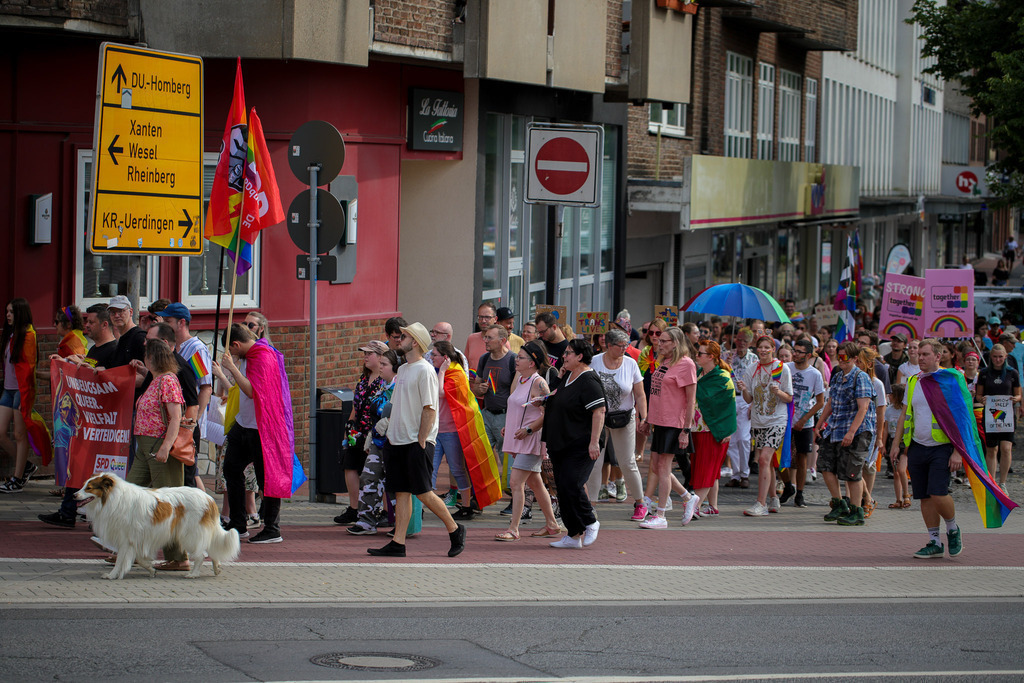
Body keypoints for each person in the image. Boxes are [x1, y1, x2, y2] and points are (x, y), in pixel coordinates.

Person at [368, 322, 466, 558]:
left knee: (423, 492)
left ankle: (455, 529)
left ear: (415, 342)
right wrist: (392, 433)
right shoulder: (403, 370)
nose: (399, 339)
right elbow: (400, 406)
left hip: (415, 441)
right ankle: (398, 542)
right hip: (398, 440)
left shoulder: (424, 370)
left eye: (404, 336)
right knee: (401, 492)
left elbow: (429, 409)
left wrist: (422, 440)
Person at [888, 338, 966, 558]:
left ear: (938, 356)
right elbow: (905, 413)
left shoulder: (950, 380)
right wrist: (897, 443)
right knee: (924, 496)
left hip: (942, 446)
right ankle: (934, 542)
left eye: (925, 354)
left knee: (938, 493)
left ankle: (952, 528)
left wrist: (958, 451)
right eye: (919, 354)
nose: (920, 358)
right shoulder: (914, 380)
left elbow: (962, 416)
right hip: (917, 446)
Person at [218, 323, 296, 545]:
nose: (231, 353)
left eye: (231, 349)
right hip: (245, 424)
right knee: (231, 470)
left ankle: (272, 528)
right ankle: (238, 524)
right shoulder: (250, 355)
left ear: (236, 344)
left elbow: (253, 392)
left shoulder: (262, 356)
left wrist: (232, 368)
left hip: (262, 428)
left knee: (266, 478)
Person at [122, 338, 190, 568]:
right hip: (146, 447)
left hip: (160, 448)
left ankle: (178, 557)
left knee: (168, 502)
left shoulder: (168, 381)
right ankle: (129, 549)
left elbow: (176, 417)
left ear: (152, 358)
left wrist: (165, 446)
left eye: (146, 355)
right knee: (130, 496)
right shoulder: (157, 380)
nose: (144, 358)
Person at [542, 338, 606, 548]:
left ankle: (590, 521)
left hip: (581, 442)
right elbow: (552, 400)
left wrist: (594, 442)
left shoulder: (588, 379)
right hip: (561, 442)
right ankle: (573, 534)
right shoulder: (568, 375)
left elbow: (599, 411)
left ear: (580, 357)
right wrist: (558, 379)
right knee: (562, 487)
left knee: (573, 483)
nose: (564, 356)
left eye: (569, 353)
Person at [495, 341, 561, 541]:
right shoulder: (522, 379)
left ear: (532, 362)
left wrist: (529, 429)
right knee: (535, 482)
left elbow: (547, 412)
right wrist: (512, 426)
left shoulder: (538, 382)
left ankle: (514, 528)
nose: (516, 360)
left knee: (516, 482)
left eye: (521, 357)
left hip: (532, 440)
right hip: (521, 438)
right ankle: (552, 524)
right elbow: (518, 407)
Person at [638, 327, 699, 528]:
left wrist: (686, 429)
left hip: (675, 422)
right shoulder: (663, 362)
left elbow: (691, 401)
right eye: (659, 340)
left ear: (675, 343)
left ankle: (661, 515)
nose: (659, 343)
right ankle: (687, 497)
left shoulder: (686, 364)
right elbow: (656, 395)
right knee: (656, 467)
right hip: (660, 421)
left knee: (663, 468)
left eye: (664, 341)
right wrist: (648, 419)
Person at [815, 340, 876, 526]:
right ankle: (839, 503)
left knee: (852, 473)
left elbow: (863, 408)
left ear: (855, 358)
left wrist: (851, 432)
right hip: (835, 428)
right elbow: (831, 402)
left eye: (844, 357)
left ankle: (857, 510)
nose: (841, 360)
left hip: (856, 431)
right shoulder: (837, 376)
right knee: (825, 466)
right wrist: (819, 424)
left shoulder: (861, 377)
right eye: (839, 357)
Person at [589, 329, 648, 521]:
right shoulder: (595, 361)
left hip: (624, 417)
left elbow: (639, 394)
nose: (624, 349)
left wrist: (643, 417)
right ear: (608, 345)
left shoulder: (630, 363)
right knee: (595, 461)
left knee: (627, 461)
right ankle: (591, 504)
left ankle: (640, 502)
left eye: (626, 345)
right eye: (620, 346)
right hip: (599, 417)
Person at [157, 303, 213, 490]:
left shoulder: (195, 349)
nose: (164, 324)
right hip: (174, 420)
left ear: (181, 323)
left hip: (186, 422)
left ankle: (205, 511)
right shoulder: (174, 347)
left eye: (168, 321)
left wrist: (193, 421)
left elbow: (205, 387)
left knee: (190, 473)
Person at [346, 349, 402, 535]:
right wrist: (370, 437)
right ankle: (366, 521)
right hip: (378, 443)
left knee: (395, 485)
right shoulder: (383, 387)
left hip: (395, 444)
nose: (381, 367)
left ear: (395, 368)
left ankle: (401, 526)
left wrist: (387, 423)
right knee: (368, 478)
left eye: (384, 364)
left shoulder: (400, 388)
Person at [736, 334, 793, 516]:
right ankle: (774, 498)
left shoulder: (781, 369)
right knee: (766, 463)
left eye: (767, 347)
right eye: (760, 347)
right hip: (758, 421)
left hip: (776, 420)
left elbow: (790, 397)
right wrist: (744, 389)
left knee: (763, 459)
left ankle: (760, 503)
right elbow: (749, 399)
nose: (763, 350)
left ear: (772, 349)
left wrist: (779, 392)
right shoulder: (752, 369)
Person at [334, 340, 388, 526]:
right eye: (364, 353)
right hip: (357, 431)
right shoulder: (363, 379)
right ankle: (354, 507)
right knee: (349, 465)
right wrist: (349, 425)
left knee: (374, 472)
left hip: (375, 432)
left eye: (369, 354)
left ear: (381, 356)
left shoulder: (385, 381)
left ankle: (379, 509)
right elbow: (356, 406)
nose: (365, 357)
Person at [0, 298, 51, 493]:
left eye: (11, 312)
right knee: (1, 433)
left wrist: (25, 398)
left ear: (20, 313)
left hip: (21, 391)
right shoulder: (12, 333)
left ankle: (17, 478)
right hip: (8, 389)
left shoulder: (29, 335)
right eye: (7, 312)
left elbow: (28, 369)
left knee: (20, 435)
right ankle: (28, 466)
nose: (8, 315)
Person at [429, 340, 478, 520]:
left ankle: (466, 507)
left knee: (457, 469)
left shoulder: (456, 373)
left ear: (445, 357)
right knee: (430, 469)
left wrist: (441, 371)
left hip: (451, 430)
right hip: (435, 429)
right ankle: (425, 506)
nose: (431, 357)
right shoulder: (436, 371)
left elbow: (440, 393)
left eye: (434, 354)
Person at [691, 340, 736, 517]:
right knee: (710, 469)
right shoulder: (699, 373)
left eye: (700, 353)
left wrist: (727, 431)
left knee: (707, 469)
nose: (697, 355)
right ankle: (712, 506)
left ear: (711, 357)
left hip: (715, 430)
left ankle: (695, 506)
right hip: (697, 429)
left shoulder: (724, 377)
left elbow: (728, 407)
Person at [472, 324, 517, 496]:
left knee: (508, 462)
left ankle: (514, 499)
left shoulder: (513, 360)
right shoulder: (484, 359)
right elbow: (476, 386)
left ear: (503, 341)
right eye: (485, 337)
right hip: (487, 414)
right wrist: (479, 389)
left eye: (490, 338)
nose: (486, 341)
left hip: (505, 416)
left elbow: (517, 391)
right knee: (480, 456)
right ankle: (482, 497)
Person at [783, 338, 825, 508]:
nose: (795, 354)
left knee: (802, 458)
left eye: (799, 352)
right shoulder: (786, 368)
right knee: (778, 457)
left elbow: (820, 402)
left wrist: (804, 419)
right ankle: (787, 485)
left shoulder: (815, 374)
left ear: (808, 355)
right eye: (795, 350)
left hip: (804, 422)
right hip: (784, 419)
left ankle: (799, 493)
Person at [975, 343, 1021, 493]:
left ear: (1005, 357)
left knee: (1006, 448)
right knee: (991, 448)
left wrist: (1016, 399)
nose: (997, 359)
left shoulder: (1012, 373)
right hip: (990, 415)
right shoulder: (983, 373)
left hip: (1007, 416)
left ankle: (1003, 482)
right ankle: (992, 482)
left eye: (1000, 357)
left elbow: (1018, 394)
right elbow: (979, 394)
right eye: (994, 357)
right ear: (990, 357)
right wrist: (982, 399)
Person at [724, 327, 758, 489]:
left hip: (745, 399)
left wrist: (753, 403)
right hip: (730, 398)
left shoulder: (754, 359)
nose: (741, 343)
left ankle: (745, 473)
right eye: (739, 339)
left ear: (750, 342)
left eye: (745, 340)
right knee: (731, 439)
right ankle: (735, 473)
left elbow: (757, 382)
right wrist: (726, 364)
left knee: (744, 438)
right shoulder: (728, 355)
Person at [857, 347, 888, 519]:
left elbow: (881, 412)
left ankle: (866, 500)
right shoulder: (854, 379)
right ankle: (865, 498)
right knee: (855, 465)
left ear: (868, 364)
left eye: (859, 361)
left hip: (871, 430)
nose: (856, 364)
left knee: (868, 467)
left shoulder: (877, 384)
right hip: (854, 428)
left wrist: (880, 437)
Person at [106, 295, 148, 375]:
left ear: (131, 312)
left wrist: (113, 378)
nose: (116, 315)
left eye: (121, 311)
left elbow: (147, 376)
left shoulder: (139, 338)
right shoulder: (122, 339)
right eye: (113, 312)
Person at [886, 384, 911, 510]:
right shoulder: (888, 410)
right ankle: (898, 499)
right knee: (896, 473)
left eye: (891, 394)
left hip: (904, 442)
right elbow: (886, 429)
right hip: (892, 441)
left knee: (902, 470)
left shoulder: (906, 410)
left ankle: (906, 494)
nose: (889, 396)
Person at [465, 303, 497, 368]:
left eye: (487, 317)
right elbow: (465, 364)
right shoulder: (471, 338)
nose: (483, 320)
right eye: (480, 317)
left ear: (495, 319)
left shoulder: (501, 341)